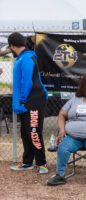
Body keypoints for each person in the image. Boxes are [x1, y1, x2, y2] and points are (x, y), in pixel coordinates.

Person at [8, 32, 49, 174]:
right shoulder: (21, 57)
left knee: (33, 131)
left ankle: (42, 163)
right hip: (26, 101)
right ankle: (27, 162)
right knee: (25, 132)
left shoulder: (26, 57)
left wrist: (22, 99)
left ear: (12, 46)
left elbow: (27, 81)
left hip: (33, 99)